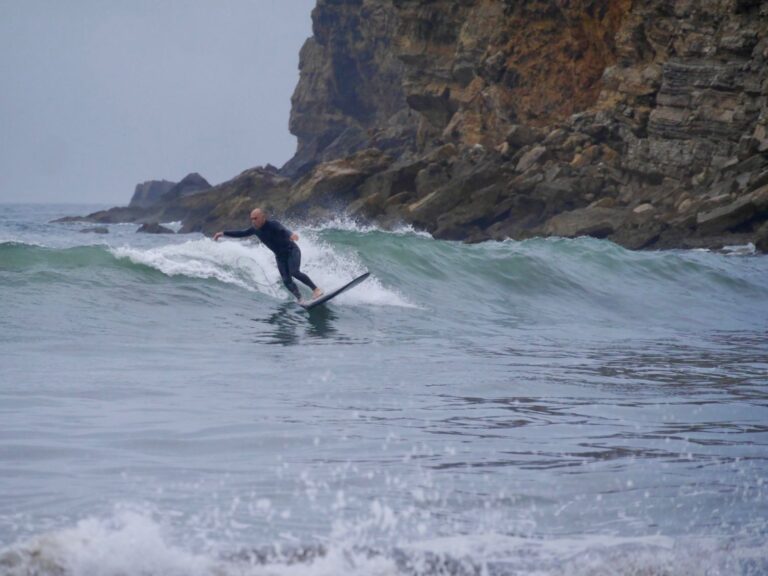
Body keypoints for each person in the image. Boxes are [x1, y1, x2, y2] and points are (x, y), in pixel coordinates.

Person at [213, 208, 323, 303]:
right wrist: (223, 233)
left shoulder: (273, 224)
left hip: (291, 251)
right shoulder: (255, 230)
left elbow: (284, 230)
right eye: (251, 218)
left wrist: (292, 234)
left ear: (263, 217)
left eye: (255, 218)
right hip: (280, 256)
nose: (253, 221)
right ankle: (300, 299)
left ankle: (316, 290)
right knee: (286, 280)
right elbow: (241, 233)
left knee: (294, 272)